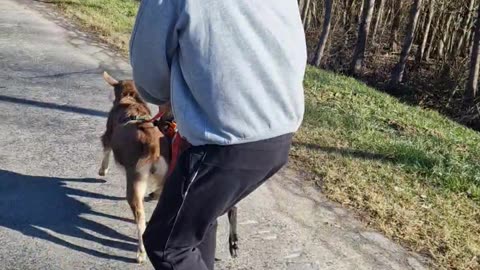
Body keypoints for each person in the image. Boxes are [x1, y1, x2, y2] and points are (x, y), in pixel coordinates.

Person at [129, 0, 306, 269]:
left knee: (166, 245)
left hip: (223, 141)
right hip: (279, 133)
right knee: (198, 221)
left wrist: (164, 97)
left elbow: (149, 66)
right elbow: (294, 49)